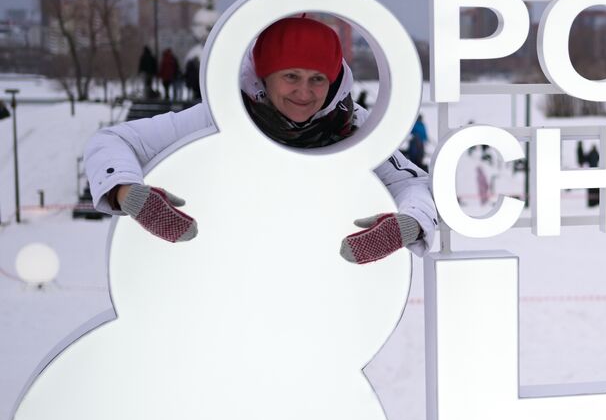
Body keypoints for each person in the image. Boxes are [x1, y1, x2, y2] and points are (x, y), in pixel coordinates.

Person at [84, 15, 436, 267]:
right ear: (264, 76)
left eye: (318, 78)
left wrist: (405, 225)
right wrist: (128, 194)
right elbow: (113, 141)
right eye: (291, 76)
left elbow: (413, 183)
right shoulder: (222, 117)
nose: (304, 91)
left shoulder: (352, 125)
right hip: (223, 269)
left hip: (320, 279)